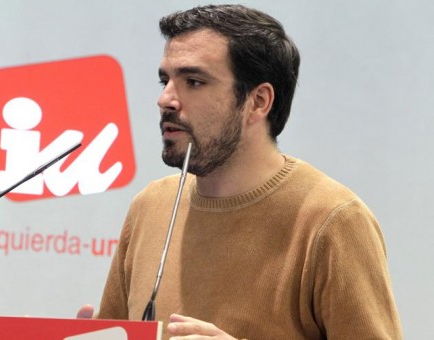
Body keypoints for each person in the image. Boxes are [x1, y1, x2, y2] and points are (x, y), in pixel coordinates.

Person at [78, 4, 403, 340]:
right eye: (165, 80)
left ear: (258, 101)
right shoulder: (150, 206)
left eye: (193, 81)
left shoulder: (332, 220)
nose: (165, 99)